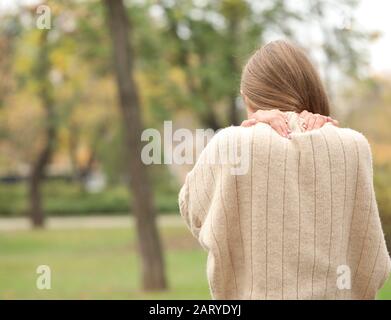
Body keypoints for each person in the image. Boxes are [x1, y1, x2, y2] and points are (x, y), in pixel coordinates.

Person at [178, 40, 391, 300]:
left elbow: (192, 209)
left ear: (248, 98)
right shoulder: (353, 146)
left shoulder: (231, 145)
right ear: (312, 90)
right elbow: (371, 262)